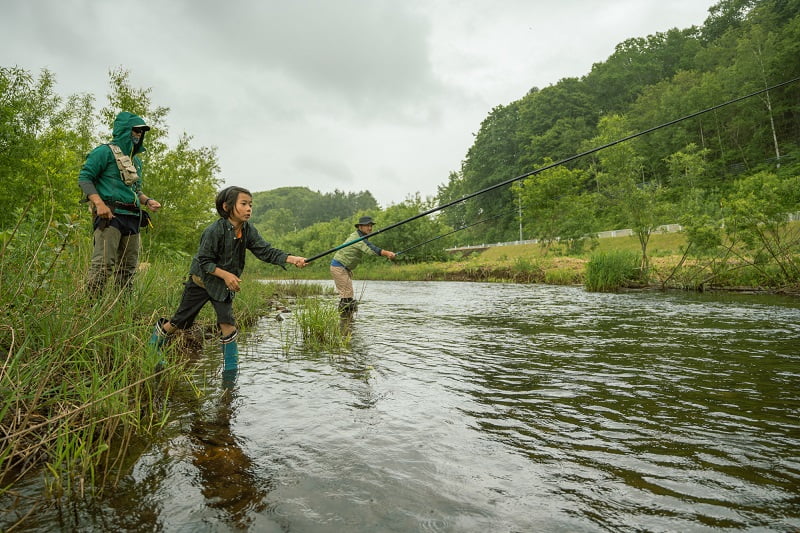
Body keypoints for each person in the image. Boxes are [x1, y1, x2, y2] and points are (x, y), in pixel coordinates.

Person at [148, 186, 306, 373]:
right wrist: (226, 275)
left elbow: (265, 251)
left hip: (223, 287)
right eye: (244, 204)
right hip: (201, 282)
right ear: (227, 206)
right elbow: (204, 261)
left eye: (251, 205)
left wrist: (291, 258)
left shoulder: (248, 230)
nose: (249, 209)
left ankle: (231, 369)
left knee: (227, 322)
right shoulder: (214, 231)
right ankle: (153, 347)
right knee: (181, 321)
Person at [78, 111, 162, 294]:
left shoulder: (135, 161)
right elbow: (85, 178)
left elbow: (135, 190)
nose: (138, 135)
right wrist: (99, 204)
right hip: (111, 216)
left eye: (141, 132)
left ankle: (122, 310)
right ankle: (89, 309)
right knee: (103, 266)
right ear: (125, 130)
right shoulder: (104, 152)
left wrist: (147, 201)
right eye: (135, 130)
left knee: (128, 270)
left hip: (133, 217)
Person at [330, 215, 395, 314]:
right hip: (339, 266)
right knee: (347, 296)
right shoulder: (358, 239)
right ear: (360, 227)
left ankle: (347, 322)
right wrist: (387, 253)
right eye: (367, 226)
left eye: (371, 226)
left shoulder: (360, 236)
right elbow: (371, 250)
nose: (370, 228)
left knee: (347, 296)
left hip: (344, 268)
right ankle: (346, 323)